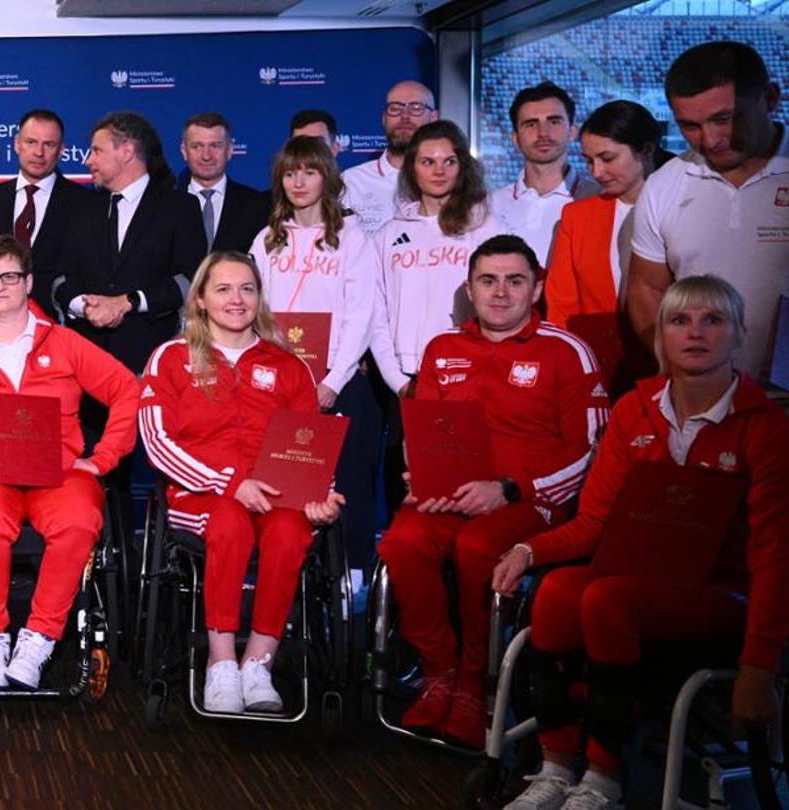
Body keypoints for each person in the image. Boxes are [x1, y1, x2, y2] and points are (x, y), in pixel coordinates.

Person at [493, 276, 788, 810]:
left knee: (608, 600)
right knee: (557, 591)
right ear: (661, 338)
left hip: (720, 591)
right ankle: (556, 768)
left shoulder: (765, 427)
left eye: (712, 320)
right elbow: (594, 521)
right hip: (637, 575)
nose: (695, 332)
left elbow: (774, 558)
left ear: (739, 334)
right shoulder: (635, 409)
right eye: (679, 320)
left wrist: (760, 666)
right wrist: (528, 550)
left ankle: (605, 777)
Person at [377, 235, 609, 748]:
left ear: (537, 287)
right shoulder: (443, 348)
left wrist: (508, 489)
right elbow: (423, 432)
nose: (500, 292)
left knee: (477, 548)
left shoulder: (566, 351)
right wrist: (425, 477)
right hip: (452, 496)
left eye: (514, 280)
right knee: (401, 541)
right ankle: (439, 670)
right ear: (470, 288)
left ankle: (475, 684)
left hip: (532, 504)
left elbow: (590, 451)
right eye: (488, 280)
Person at [0, 235, 138, 690]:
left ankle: (38, 640)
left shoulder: (65, 343)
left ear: (29, 283)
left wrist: (102, 458)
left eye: (10, 276)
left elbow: (127, 390)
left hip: (57, 474)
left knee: (80, 519)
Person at [141, 251, 346, 713]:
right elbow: (157, 443)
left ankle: (259, 663)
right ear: (200, 300)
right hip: (202, 496)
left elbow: (310, 444)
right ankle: (221, 664)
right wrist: (227, 483)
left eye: (247, 289)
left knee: (294, 533)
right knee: (230, 525)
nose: (237, 299)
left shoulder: (290, 366)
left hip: (279, 496)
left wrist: (321, 495)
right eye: (224, 289)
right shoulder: (171, 358)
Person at [250, 136, 383, 577]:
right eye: (290, 173)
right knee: (289, 492)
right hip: (281, 388)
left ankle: (352, 585)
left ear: (327, 176)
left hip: (337, 384)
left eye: (308, 171)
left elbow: (361, 313)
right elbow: (255, 311)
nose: (299, 182)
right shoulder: (267, 239)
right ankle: (291, 583)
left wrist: (333, 380)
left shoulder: (353, 236)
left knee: (348, 490)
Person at [626, 40, 788, 380]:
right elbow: (648, 289)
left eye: (724, 119)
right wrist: (673, 366)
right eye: (690, 126)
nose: (710, 139)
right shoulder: (663, 185)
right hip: (701, 399)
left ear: (771, 99)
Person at [57, 111, 207, 377]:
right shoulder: (81, 209)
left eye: (96, 151)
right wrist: (85, 306)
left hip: (152, 366)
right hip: (86, 367)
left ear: (126, 151)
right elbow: (61, 279)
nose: (88, 160)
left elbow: (190, 280)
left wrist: (129, 302)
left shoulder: (179, 208)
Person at [369, 120, 508, 396]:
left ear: (463, 167)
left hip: (472, 370)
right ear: (412, 167)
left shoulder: (486, 226)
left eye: (449, 161)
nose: (439, 171)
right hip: (406, 378)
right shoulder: (388, 233)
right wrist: (397, 380)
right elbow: (375, 312)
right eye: (428, 162)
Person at [544, 100, 668, 326]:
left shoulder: (679, 209)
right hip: (596, 355)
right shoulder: (578, 217)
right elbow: (561, 307)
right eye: (589, 161)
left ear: (647, 149)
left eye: (607, 158)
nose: (597, 172)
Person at [0, 108, 98, 313]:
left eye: (49, 144)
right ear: (17, 144)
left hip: (58, 323)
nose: (39, 153)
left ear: (61, 150)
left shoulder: (85, 203)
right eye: (31, 142)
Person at [488, 82, 601, 266]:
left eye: (554, 121)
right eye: (531, 124)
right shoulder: (489, 206)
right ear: (515, 139)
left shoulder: (599, 199)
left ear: (572, 132)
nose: (543, 133)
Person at [342, 81, 439, 233]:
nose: (404, 116)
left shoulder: (448, 180)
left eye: (416, 108)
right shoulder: (351, 182)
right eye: (395, 108)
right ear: (384, 118)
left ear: (434, 117)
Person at [178, 113, 268, 254]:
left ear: (230, 150)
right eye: (197, 146)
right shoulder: (162, 205)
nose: (206, 155)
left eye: (215, 145)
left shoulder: (257, 206)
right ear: (184, 152)